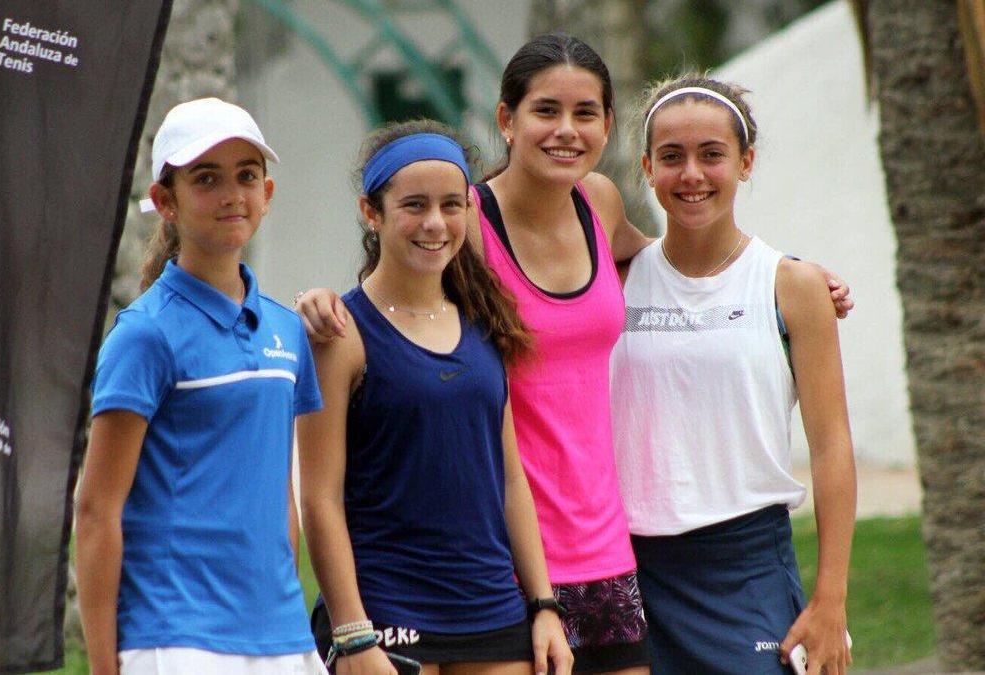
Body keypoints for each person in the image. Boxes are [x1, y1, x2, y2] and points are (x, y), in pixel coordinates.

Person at [297, 35, 853, 675]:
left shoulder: (600, 203)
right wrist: (314, 300)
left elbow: (674, 266)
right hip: (502, 557)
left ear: (608, 126)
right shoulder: (463, 217)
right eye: (545, 111)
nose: (566, 130)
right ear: (506, 120)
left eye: (585, 112)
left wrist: (792, 280)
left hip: (609, 551)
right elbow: (392, 284)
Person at [298, 120, 574, 675]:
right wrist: (352, 634)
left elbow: (510, 476)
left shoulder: (483, 322)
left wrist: (543, 605)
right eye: (414, 205)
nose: (434, 223)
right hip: (386, 616)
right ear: (371, 213)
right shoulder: (340, 334)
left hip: (492, 611)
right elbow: (318, 498)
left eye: (452, 205)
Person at [611, 75, 856, 675]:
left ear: (745, 163)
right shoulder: (613, 277)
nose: (691, 174)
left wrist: (831, 599)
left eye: (712, 154)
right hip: (628, 569)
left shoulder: (792, 285)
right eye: (671, 157)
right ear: (646, 167)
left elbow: (831, 447)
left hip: (746, 567)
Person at [74, 98, 326, 675]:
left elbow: (278, 491)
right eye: (206, 179)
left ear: (268, 193)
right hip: (175, 639)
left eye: (246, 176)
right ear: (165, 201)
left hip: (283, 640)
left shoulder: (288, 331)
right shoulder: (144, 335)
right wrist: (104, 666)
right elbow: (96, 511)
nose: (232, 195)